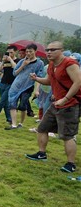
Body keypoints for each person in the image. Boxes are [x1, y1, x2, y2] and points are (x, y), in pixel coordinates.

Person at [26, 41, 80, 173]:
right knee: (42, 128)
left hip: (70, 104)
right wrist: (36, 78)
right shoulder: (51, 65)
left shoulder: (69, 64)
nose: (49, 52)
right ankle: (41, 153)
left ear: (61, 50)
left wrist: (65, 98)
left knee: (67, 135)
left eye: (53, 50)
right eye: (47, 50)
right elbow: (50, 81)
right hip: (56, 103)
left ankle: (70, 164)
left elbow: (78, 82)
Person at [5, 44, 45, 130]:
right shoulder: (22, 61)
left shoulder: (40, 63)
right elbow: (15, 73)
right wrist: (23, 65)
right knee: (12, 104)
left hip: (28, 87)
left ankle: (21, 123)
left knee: (23, 106)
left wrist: (37, 90)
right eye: (27, 51)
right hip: (16, 86)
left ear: (35, 51)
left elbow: (39, 77)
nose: (28, 53)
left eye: (30, 51)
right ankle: (14, 125)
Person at [0, 46, 17, 124]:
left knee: (1, 102)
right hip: (2, 83)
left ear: (15, 52)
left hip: (11, 84)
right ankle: (9, 119)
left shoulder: (17, 60)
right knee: (5, 103)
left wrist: (10, 59)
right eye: (8, 52)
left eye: (11, 52)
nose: (10, 54)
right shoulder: (4, 62)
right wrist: (2, 62)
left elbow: (16, 68)